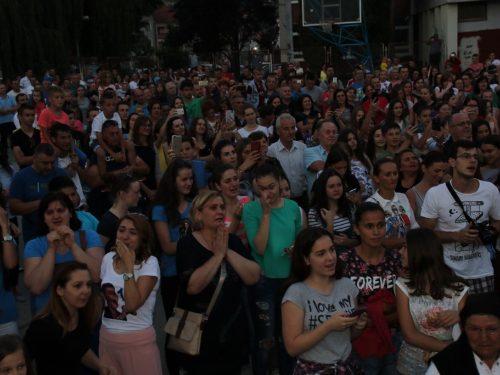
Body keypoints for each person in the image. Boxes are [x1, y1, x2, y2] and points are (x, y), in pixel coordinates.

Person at [175, 191, 260, 374]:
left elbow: (254, 276)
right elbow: (192, 286)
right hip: (200, 337)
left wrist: (227, 251)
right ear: (198, 214)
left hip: (232, 336)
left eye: (222, 207)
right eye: (213, 208)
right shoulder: (187, 244)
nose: (220, 211)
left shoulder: (233, 242)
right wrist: (218, 256)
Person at [243, 164, 302, 375]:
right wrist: (266, 215)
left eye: (272, 186)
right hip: (264, 283)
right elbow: (258, 246)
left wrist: (295, 249)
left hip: (289, 281)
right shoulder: (251, 209)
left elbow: (300, 241)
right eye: (262, 188)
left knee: (287, 339)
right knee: (264, 341)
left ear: (280, 183)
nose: (267, 192)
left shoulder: (293, 207)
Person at [282, 227, 367, 373]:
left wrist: (357, 327)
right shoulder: (296, 294)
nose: (330, 257)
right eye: (321, 254)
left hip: (347, 366)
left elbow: (349, 336)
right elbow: (292, 348)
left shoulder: (347, 286)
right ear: (306, 259)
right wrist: (328, 326)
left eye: (332, 250)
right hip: (313, 368)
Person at [421, 139, 500, 294]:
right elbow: (426, 233)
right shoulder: (435, 194)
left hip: (482, 272)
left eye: (475, 157)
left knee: (483, 317)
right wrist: (457, 237)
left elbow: (498, 221)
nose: (472, 161)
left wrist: (490, 233)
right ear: (452, 162)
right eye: (465, 156)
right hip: (448, 273)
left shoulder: (490, 190)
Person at [340, 202, 406, 374]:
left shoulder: (396, 260)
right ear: (356, 229)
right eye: (369, 226)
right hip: (359, 342)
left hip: (394, 341)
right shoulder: (344, 262)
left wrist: (372, 317)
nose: (376, 232)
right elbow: (345, 310)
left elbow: (405, 307)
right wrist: (382, 310)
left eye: (380, 225)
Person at [396, 228, 468, 375]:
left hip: (448, 366)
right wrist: (448, 349)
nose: (400, 252)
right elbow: (409, 335)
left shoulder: (458, 289)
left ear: (419, 251)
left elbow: (470, 332)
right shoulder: (403, 286)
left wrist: (461, 316)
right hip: (411, 367)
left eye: (405, 247)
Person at [24, 261, 115, 375]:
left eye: (88, 284)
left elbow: (79, 348)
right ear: (60, 290)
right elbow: (20, 361)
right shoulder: (42, 327)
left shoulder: (82, 315)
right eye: (78, 286)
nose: (86, 291)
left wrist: (101, 367)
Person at [150, 160, 198, 374]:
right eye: (184, 179)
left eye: (191, 178)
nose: (189, 182)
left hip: (197, 271)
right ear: (173, 181)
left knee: (197, 325)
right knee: (175, 327)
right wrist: (195, 241)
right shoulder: (160, 209)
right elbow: (167, 247)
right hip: (172, 275)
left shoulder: (195, 204)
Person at [99, 214, 162, 375]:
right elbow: (103, 298)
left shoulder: (150, 263)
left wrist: (129, 268)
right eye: (121, 230)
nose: (125, 236)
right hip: (107, 339)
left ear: (143, 238)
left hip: (137, 342)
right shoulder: (107, 259)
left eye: (133, 233)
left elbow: (133, 304)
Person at [23, 193, 104, 315]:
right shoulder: (34, 245)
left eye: (60, 210)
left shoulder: (89, 237)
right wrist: (51, 250)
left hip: (85, 315)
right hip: (48, 316)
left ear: (71, 212)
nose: (56, 216)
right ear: (44, 218)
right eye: (49, 213)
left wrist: (73, 245)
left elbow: (97, 276)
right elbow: (36, 287)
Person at [9, 144, 70, 243]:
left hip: (62, 230)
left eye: (52, 162)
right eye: (45, 163)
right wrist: (45, 202)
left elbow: (75, 198)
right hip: (34, 232)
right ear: (34, 158)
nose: (49, 167)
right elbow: (14, 208)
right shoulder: (21, 177)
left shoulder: (61, 173)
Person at [426, 292, 500, 374]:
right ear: (463, 328)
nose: (484, 338)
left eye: (492, 329)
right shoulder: (443, 366)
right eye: (474, 329)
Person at [367, 158, 419, 250]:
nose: (393, 178)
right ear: (376, 178)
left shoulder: (402, 197)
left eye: (395, 173)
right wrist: (409, 239)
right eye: (388, 174)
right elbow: (378, 240)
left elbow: (414, 227)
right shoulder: (370, 204)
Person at [308, 169, 359, 255]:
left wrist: (348, 242)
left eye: (339, 185)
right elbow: (318, 245)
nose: (336, 189)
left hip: (351, 258)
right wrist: (330, 225)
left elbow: (358, 240)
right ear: (323, 188)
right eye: (331, 186)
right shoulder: (314, 213)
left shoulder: (350, 207)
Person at [267, 114, 308, 208]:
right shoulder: (271, 151)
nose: (290, 132)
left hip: (302, 198)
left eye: (292, 128)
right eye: (286, 129)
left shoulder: (303, 147)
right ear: (278, 131)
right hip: (282, 201)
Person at [97, 173, 141, 253]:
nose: (140, 195)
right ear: (122, 194)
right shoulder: (108, 221)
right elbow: (98, 251)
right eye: (136, 192)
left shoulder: (129, 214)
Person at [406, 151, 448, 224]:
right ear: (424, 168)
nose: (441, 175)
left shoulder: (446, 190)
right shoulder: (412, 194)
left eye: (444, 171)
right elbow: (411, 224)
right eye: (436, 171)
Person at [304, 119, 338, 196]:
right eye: (328, 132)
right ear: (319, 135)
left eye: (334, 132)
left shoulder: (340, 151)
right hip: (319, 199)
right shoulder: (309, 151)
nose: (332, 135)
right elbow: (322, 168)